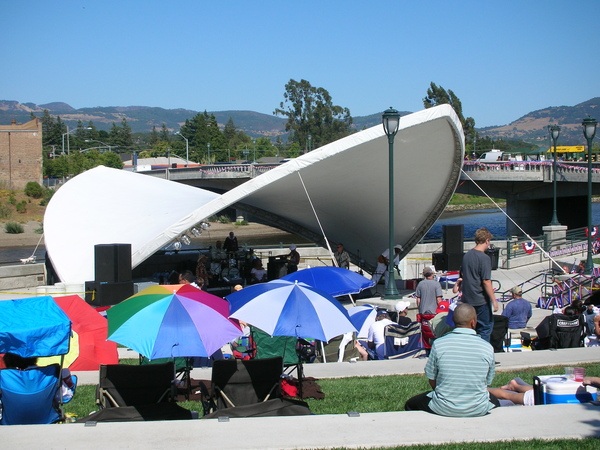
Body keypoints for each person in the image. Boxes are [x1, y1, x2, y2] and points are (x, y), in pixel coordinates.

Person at [404, 303, 499, 417]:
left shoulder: (439, 344)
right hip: (477, 408)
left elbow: (432, 378)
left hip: (443, 407)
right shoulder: (487, 347)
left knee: (410, 404)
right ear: (473, 322)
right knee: (496, 402)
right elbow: (487, 382)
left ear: (453, 321)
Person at [460, 227, 499, 342]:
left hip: (467, 299)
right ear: (487, 240)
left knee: (470, 329)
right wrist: (494, 301)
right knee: (485, 328)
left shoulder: (466, 256)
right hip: (480, 300)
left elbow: (463, 275)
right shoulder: (484, 258)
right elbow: (486, 281)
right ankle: (483, 354)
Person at [2, 353, 76, 403]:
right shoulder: (49, 374)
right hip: (47, 419)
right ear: (34, 356)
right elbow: (65, 396)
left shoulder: (4, 376)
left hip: (9, 421)